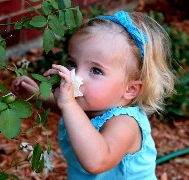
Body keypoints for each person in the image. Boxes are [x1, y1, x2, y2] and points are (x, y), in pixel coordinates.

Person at [12, 10, 176, 179]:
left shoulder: (125, 124)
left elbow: (96, 162)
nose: (76, 76)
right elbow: (67, 111)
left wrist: (68, 104)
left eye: (96, 70)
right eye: (72, 64)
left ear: (130, 89)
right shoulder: (91, 104)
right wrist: (35, 95)